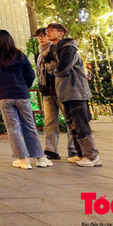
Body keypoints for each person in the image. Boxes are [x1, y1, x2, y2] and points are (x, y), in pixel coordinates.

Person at [0, 29, 52, 170]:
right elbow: (30, 73)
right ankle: (40, 158)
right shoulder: (20, 55)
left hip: (5, 96)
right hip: (22, 95)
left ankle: (23, 160)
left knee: (13, 129)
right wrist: (24, 86)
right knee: (29, 126)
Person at [46, 23, 102, 167]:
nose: (48, 33)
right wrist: (54, 67)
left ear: (61, 33)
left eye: (52, 30)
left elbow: (63, 68)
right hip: (64, 92)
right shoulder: (54, 49)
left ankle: (91, 156)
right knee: (72, 124)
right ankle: (81, 154)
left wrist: (55, 68)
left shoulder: (68, 48)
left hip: (75, 91)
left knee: (81, 123)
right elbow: (48, 66)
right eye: (47, 30)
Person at [34, 27, 81, 161]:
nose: (42, 38)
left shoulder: (56, 49)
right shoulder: (39, 54)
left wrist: (52, 67)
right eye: (39, 36)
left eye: (44, 35)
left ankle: (73, 149)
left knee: (69, 119)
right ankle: (51, 150)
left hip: (60, 88)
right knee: (49, 122)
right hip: (47, 90)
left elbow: (60, 68)